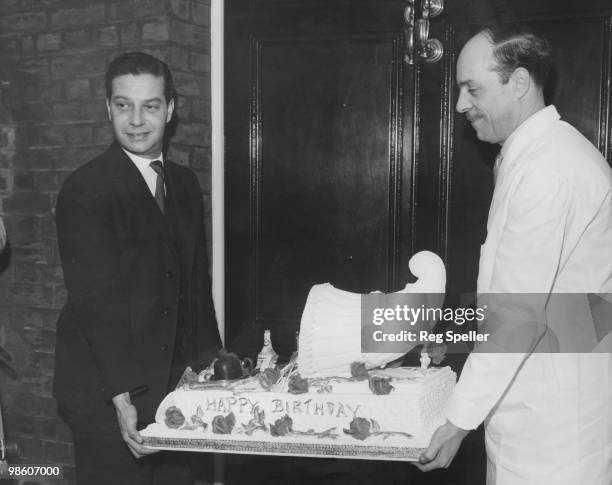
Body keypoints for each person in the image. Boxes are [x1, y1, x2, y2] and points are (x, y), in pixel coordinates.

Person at [416, 26, 612, 484]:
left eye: (473, 88)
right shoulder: (537, 155)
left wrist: (456, 422)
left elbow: (518, 313)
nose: (462, 104)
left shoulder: (547, 169)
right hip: (537, 407)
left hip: (554, 430)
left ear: (519, 84)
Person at [53, 52, 222, 485]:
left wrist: (213, 370)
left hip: (173, 387)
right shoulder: (85, 189)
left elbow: (195, 285)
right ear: (108, 107)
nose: (136, 119)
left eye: (149, 106)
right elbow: (96, 302)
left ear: (170, 109)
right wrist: (122, 398)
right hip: (106, 392)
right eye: (123, 104)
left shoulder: (184, 183)